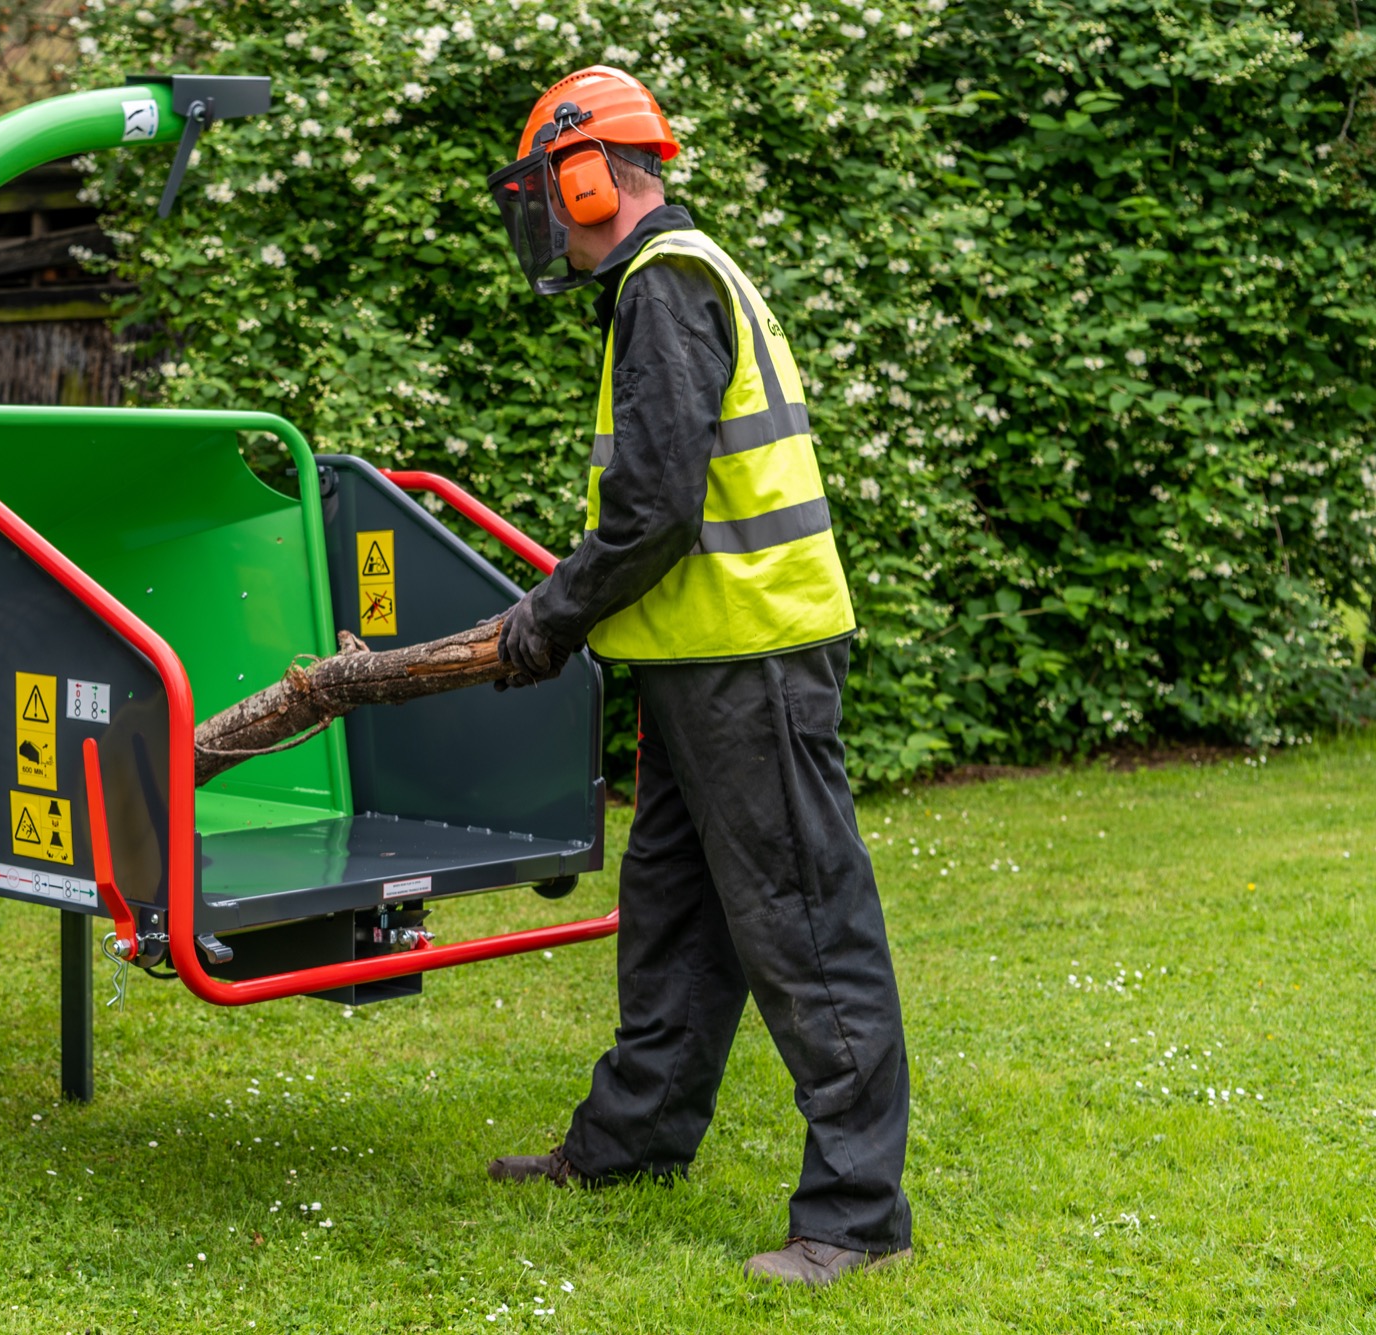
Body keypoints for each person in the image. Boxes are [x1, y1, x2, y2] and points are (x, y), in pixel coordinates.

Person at [481, 66, 913, 1287]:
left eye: (546, 193)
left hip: (748, 656)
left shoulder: (666, 286)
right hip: (695, 658)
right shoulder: (666, 281)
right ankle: (627, 1146)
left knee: (802, 922)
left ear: (584, 179)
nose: (544, 220)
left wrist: (548, 619)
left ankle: (856, 1217)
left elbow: (656, 508)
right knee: (675, 917)